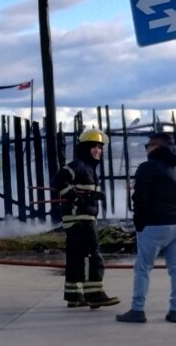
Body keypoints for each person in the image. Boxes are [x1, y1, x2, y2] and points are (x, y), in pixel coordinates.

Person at [52, 128, 120, 309]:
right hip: (80, 218)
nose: (98, 150)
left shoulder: (88, 168)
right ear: (84, 148)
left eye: (100, 147)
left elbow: (80, 190)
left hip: (77, 218)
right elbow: (58, 181)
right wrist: (75, 196)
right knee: (92, 253)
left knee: (76, 256)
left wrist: (92, 195)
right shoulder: (79, 166)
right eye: (94, 147)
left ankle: (74, 295)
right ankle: (95, 293)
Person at [116, 132, 176, 323]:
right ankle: (174, 310)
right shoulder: (173, 167)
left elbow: (140, 198)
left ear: (157, 146)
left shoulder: (147, 167)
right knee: (175, 269)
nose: (146, 149)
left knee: (142, 268)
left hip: (152, 224)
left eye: (147, 145)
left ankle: (138, 310)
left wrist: (138, 223)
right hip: (174, 224)